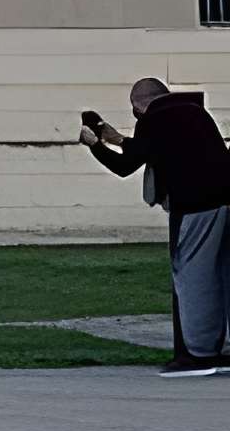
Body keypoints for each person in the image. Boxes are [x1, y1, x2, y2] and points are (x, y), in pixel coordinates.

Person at [83, 78, 230, 376]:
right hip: (227, 202)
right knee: (223, 275)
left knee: (191, 277)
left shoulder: (152, 120)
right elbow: (157, 149)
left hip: (194, 207)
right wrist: (119, 140)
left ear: (138, 104)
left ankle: (196, 354)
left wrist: (95, 145)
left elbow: (126, 168)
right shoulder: (195, 112)